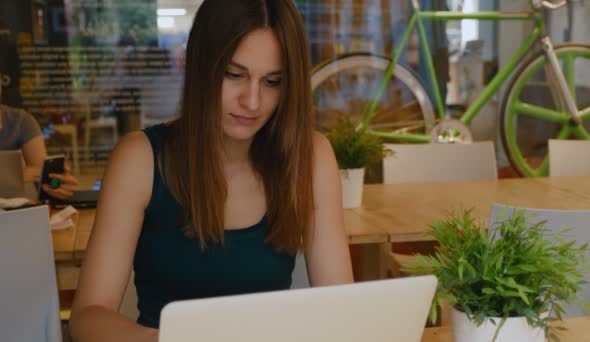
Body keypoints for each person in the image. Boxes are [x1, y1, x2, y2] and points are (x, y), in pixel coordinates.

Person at [69, 1, 354, 341]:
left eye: (272, 82)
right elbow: (87, 318)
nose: (252, 101)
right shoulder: (140, 159)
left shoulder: (310, 157)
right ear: (198, 66)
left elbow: (341, 308)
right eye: (234, 75)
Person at [0, 70, 79, 199]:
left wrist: (58, 185)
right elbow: (26, 175)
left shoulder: (20, 121)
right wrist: (17, 176)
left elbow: (42, 178)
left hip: (16, 215)